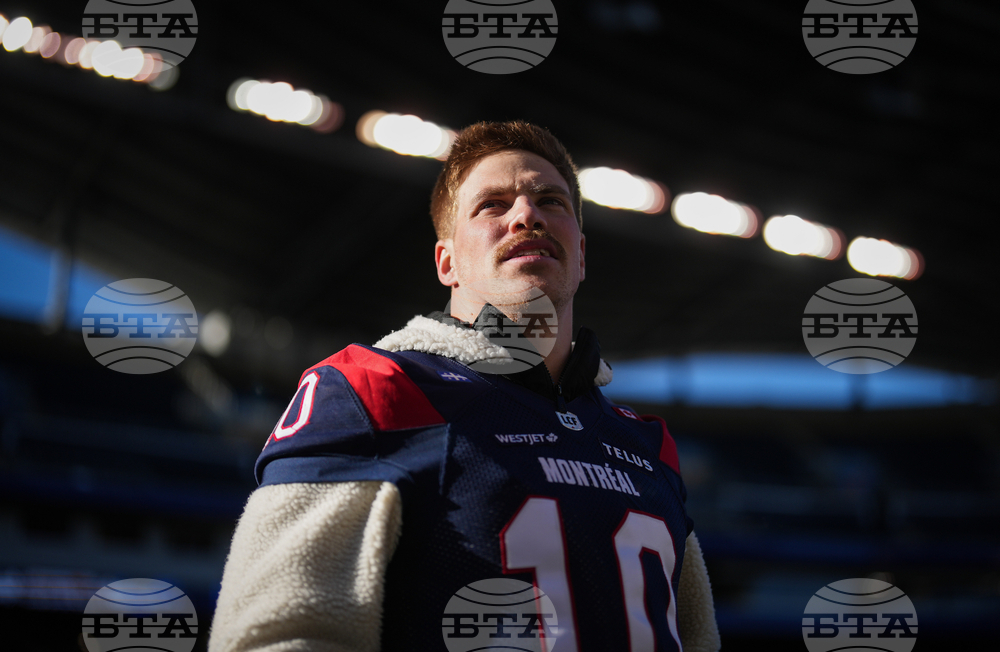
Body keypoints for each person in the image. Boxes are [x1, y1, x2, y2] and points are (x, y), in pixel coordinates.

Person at [209, 121, 720, 652]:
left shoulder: (649, 445)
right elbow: (280, 635)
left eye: (551, 200)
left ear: (582, 253)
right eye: (493, 205)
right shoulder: (373, 391)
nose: (527, 214)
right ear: (447, 262)